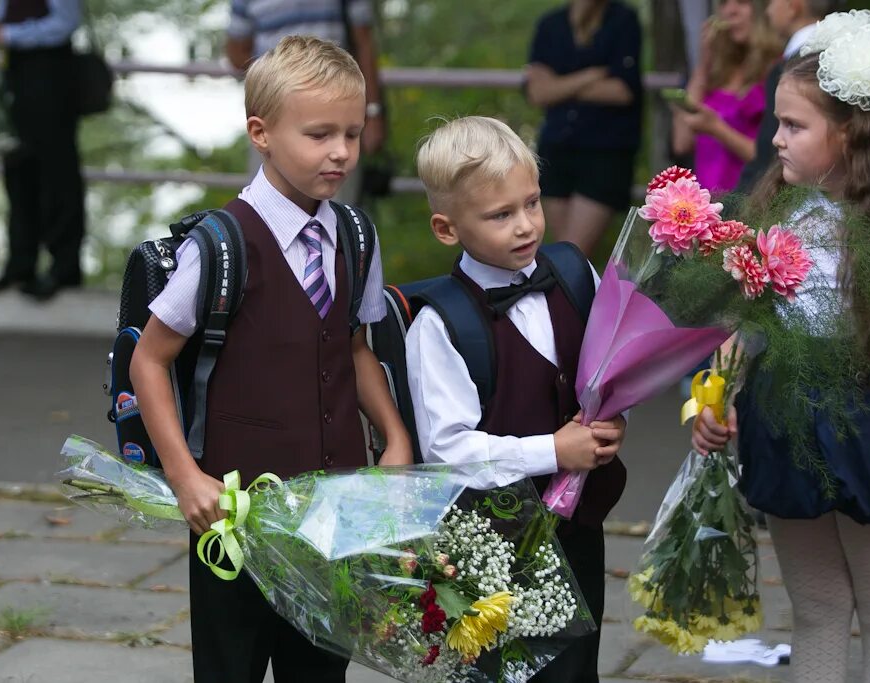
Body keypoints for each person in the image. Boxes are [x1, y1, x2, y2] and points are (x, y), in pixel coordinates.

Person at [693, 17, 870, 683]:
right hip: (785, 418)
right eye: (778, 122)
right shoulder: (778, 210)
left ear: (848, 132)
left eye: (793, 125)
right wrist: (713, 397)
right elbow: (752, 325)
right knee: (816, 605)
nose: (774, 139)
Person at [129, 36, 412, 683]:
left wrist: (393, 437)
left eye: (352, 131)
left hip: (333, 516)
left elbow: (355, 347)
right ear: (261, 131)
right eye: (318, 134)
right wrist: (186, 477)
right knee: (231, 667)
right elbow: (149, 361)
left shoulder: (356, 236)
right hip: (234, 517)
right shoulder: (222, 245)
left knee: (320, 672)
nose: (340, 151)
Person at [408, 116, 628, 682]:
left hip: (578, 529)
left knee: (578, 668)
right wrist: (553, 451)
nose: (526, 225)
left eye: (531, 203)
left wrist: (610, 420)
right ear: (446, 227)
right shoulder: (441, 325)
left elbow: (610, 367)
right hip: (491, 549)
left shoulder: (576, 273)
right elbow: (448, 449)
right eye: (501, 215)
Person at [224, 0, 386, 200]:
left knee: (335, 207)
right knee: (268, 205)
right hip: (275, 109)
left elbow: (364, 41)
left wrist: (372, 113)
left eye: (352, 135)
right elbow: (236, 52)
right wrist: (277, 79)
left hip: (335, 107)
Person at [0, 0, 85, 301]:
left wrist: (8, 35)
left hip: (51, 75)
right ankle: (20, 263)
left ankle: (63, 268)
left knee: (58, 173)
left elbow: (64, 24)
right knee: (17, 168)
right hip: (15, 74)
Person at [525, 0, 643, 257]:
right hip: (556, 149)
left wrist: (559, 85)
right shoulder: (550, 24)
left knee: (569, 255)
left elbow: (622, 91)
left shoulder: (622, 20)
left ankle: (567, 296)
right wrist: (592, 75)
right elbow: (538, 92)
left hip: (606, 153)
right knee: (562, 254)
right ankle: (570, 297)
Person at [671, 0, 781, 193]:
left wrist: (716, 129)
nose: (730, 11)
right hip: (707, 202)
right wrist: (704, 63)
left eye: (742, 2)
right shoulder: (713, 73)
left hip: (748, 199)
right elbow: (681, 142)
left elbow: (772, 158)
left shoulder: (777, 70)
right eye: (723, 3)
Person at [736, 0, 844, 193]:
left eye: (770, 3)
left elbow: (766, 159)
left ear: (793, 6)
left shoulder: (799, 69)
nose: (767, 12)